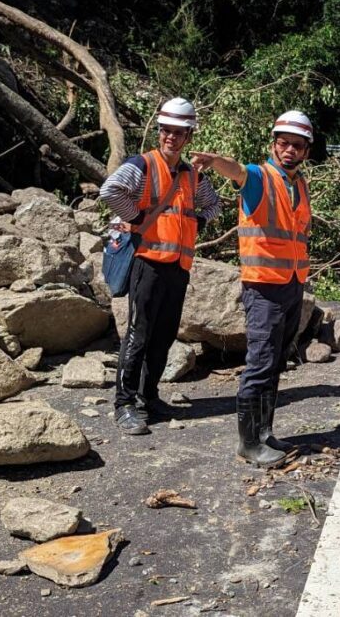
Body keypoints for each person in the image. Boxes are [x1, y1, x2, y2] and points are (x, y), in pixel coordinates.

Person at [192, 111, 315, 467]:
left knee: (276, 362)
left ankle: (264, 433)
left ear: (306, 150)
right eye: (283, 143)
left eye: (297, 145)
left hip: (292, 285)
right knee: (260, 363)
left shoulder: (300, 185)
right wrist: (215, 162)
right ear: (273, 144)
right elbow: (238, 171)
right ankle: (249, 443)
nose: (289, 150)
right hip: (263, 287)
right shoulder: (260, 177)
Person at [99, 98, 221, 436]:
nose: (171, 137)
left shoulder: (191, 175)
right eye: (166, 130)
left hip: (178, 267)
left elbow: (214, 204)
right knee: (138, 335)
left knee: (164, 335)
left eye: (179, 132)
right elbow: (110, 189)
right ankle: (124, 404)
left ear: (188, 137)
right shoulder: (144, 164)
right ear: (160, 131)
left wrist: (198, 220)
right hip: (147, 263)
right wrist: (137, 218)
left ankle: (148, 396)